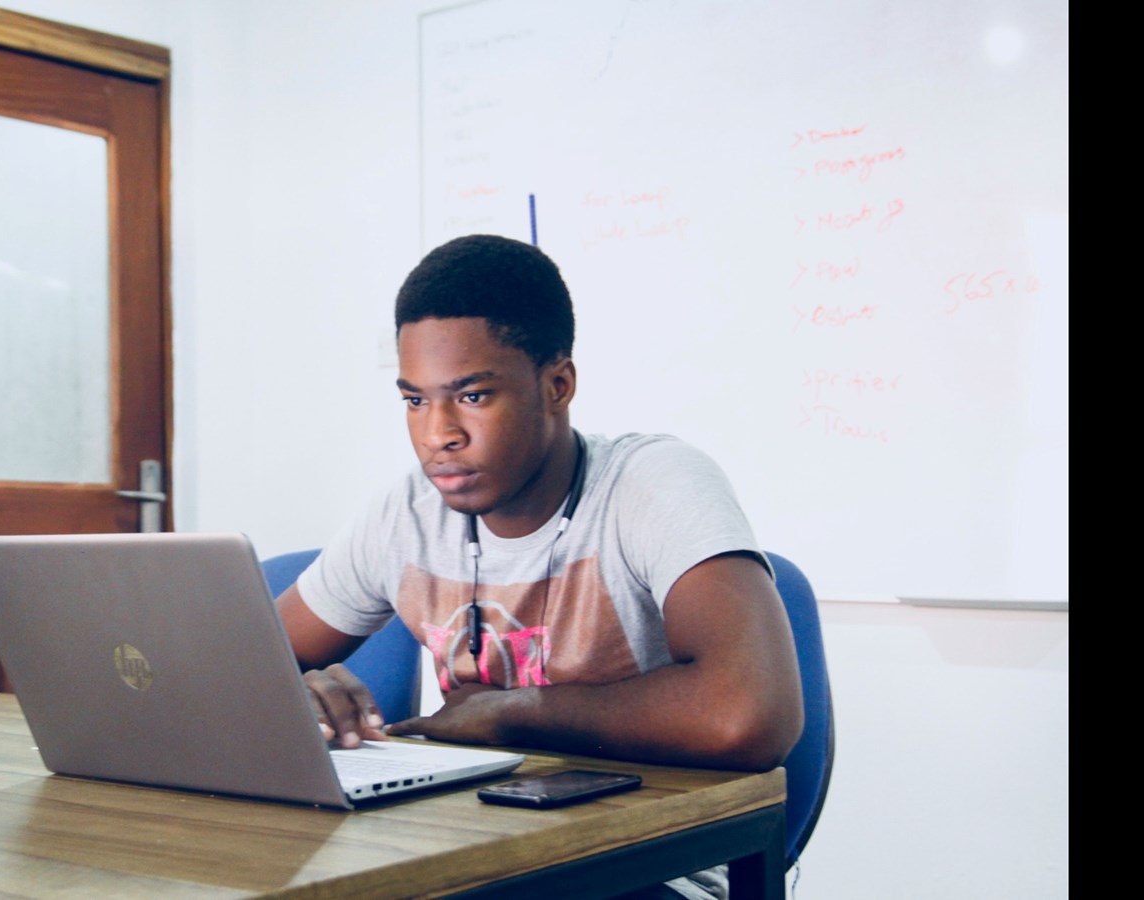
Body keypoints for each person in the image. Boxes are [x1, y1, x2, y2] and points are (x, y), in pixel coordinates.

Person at [274, 233, 803, 900]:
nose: (439, 434)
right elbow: (236, 665)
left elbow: (747, 716)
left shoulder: (653, 484)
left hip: (653, 865)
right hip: (476, 853)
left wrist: (511, 712)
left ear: (557, 385)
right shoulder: (405, 512)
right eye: (415, 400)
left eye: (471, 396)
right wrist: (290, 697)